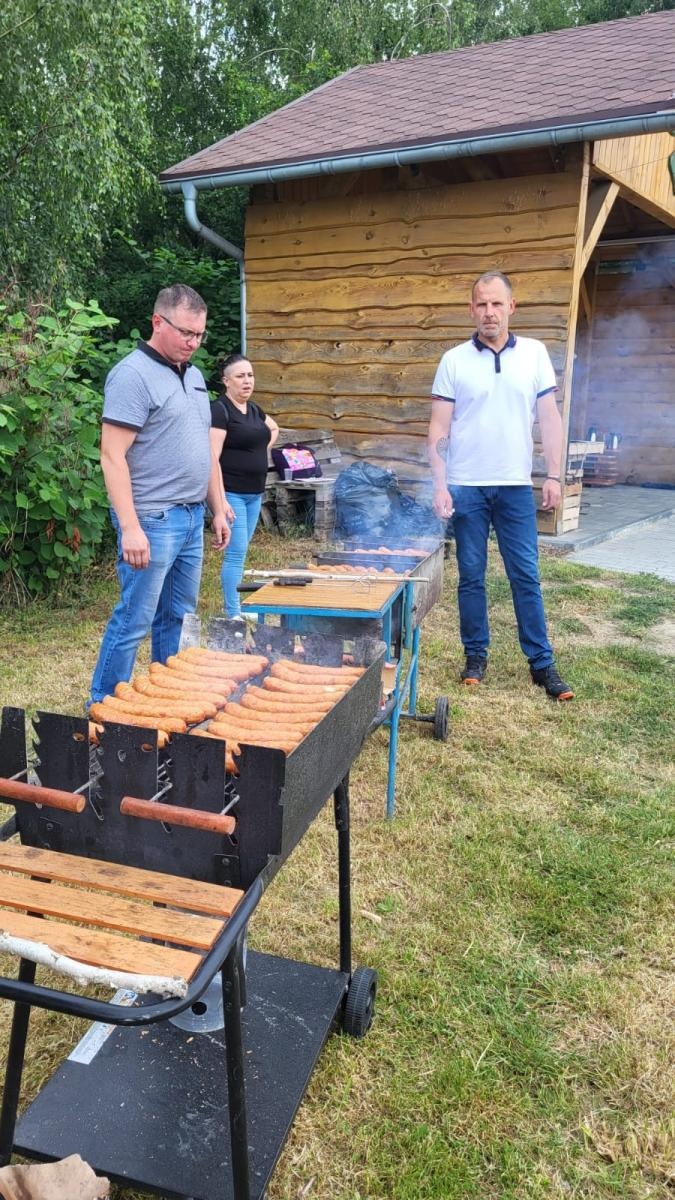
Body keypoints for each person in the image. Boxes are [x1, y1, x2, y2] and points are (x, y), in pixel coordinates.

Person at [427, 270, 574, 700]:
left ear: (511, 307)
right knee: (471, 577)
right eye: (481, 304)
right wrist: (440, 485)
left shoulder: (534, 354)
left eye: (496, 304)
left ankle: (542, 664)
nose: (489, 312)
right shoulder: (454, 360)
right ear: (471, 310)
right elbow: (439, 427)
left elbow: (549, 418)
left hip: (513, 487)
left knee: (525, 576)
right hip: (465, 486)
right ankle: (475, 656)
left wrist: (553, 474)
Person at [89, 284, 231, 704]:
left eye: (199, 335)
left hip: (190, 520)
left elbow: (204, 450)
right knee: (135, 618)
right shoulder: (132, 375)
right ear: (157, 322)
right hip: (152, 520)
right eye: (186, 333)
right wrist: (130, 527)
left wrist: (218, 507)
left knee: (178, 617)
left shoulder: (196, 376)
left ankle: (165, 699)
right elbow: (111, 456)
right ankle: (103, 706)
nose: (193, 342)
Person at [209, 354, 279, 617]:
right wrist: (221, 499)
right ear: (226, 381)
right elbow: (211, 457)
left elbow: (273, 428)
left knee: (242, 549)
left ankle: (235, 607)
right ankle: (232, 612)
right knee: (236, 554)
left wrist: (258, 450)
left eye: (250, 375)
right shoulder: (220, 410)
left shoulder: (254, 410)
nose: (247, 381)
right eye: (240, 376)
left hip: (254, 493)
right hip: (232, 493)